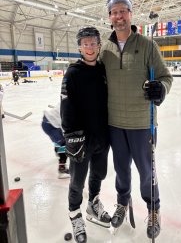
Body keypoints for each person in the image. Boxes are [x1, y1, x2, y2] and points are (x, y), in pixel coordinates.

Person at [100, 0, 173, 239]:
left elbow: (165, 77)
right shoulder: (105, 49)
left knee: (146, 172)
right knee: (121, 170)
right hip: (114, 124)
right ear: (109, 17)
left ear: (130, 14)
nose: (118, 16)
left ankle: (154, 209)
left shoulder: (147, 45)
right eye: (114, 12)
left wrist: (160, 88)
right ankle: (122, 203)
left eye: (122, 11)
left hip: (142, 124)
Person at [60, 26, 110, 243]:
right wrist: (70, 137)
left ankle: (93, 204)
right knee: (77, 182)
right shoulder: (72, 73)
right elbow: (66, 106)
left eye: (93, 43)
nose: (90, 47)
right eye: (85, 44)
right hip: (80, 138)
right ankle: (75, 214)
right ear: (80, 48)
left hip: (102, 136)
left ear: (99, 45)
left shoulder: (103, 70)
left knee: (98, 174)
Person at [41, 102, 69, 179]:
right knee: (63, 144)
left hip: (49, 123)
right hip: (50, 125)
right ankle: (62, 170)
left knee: (60, 141)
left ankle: (57, 151)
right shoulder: (70, 108)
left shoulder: (66, 100)